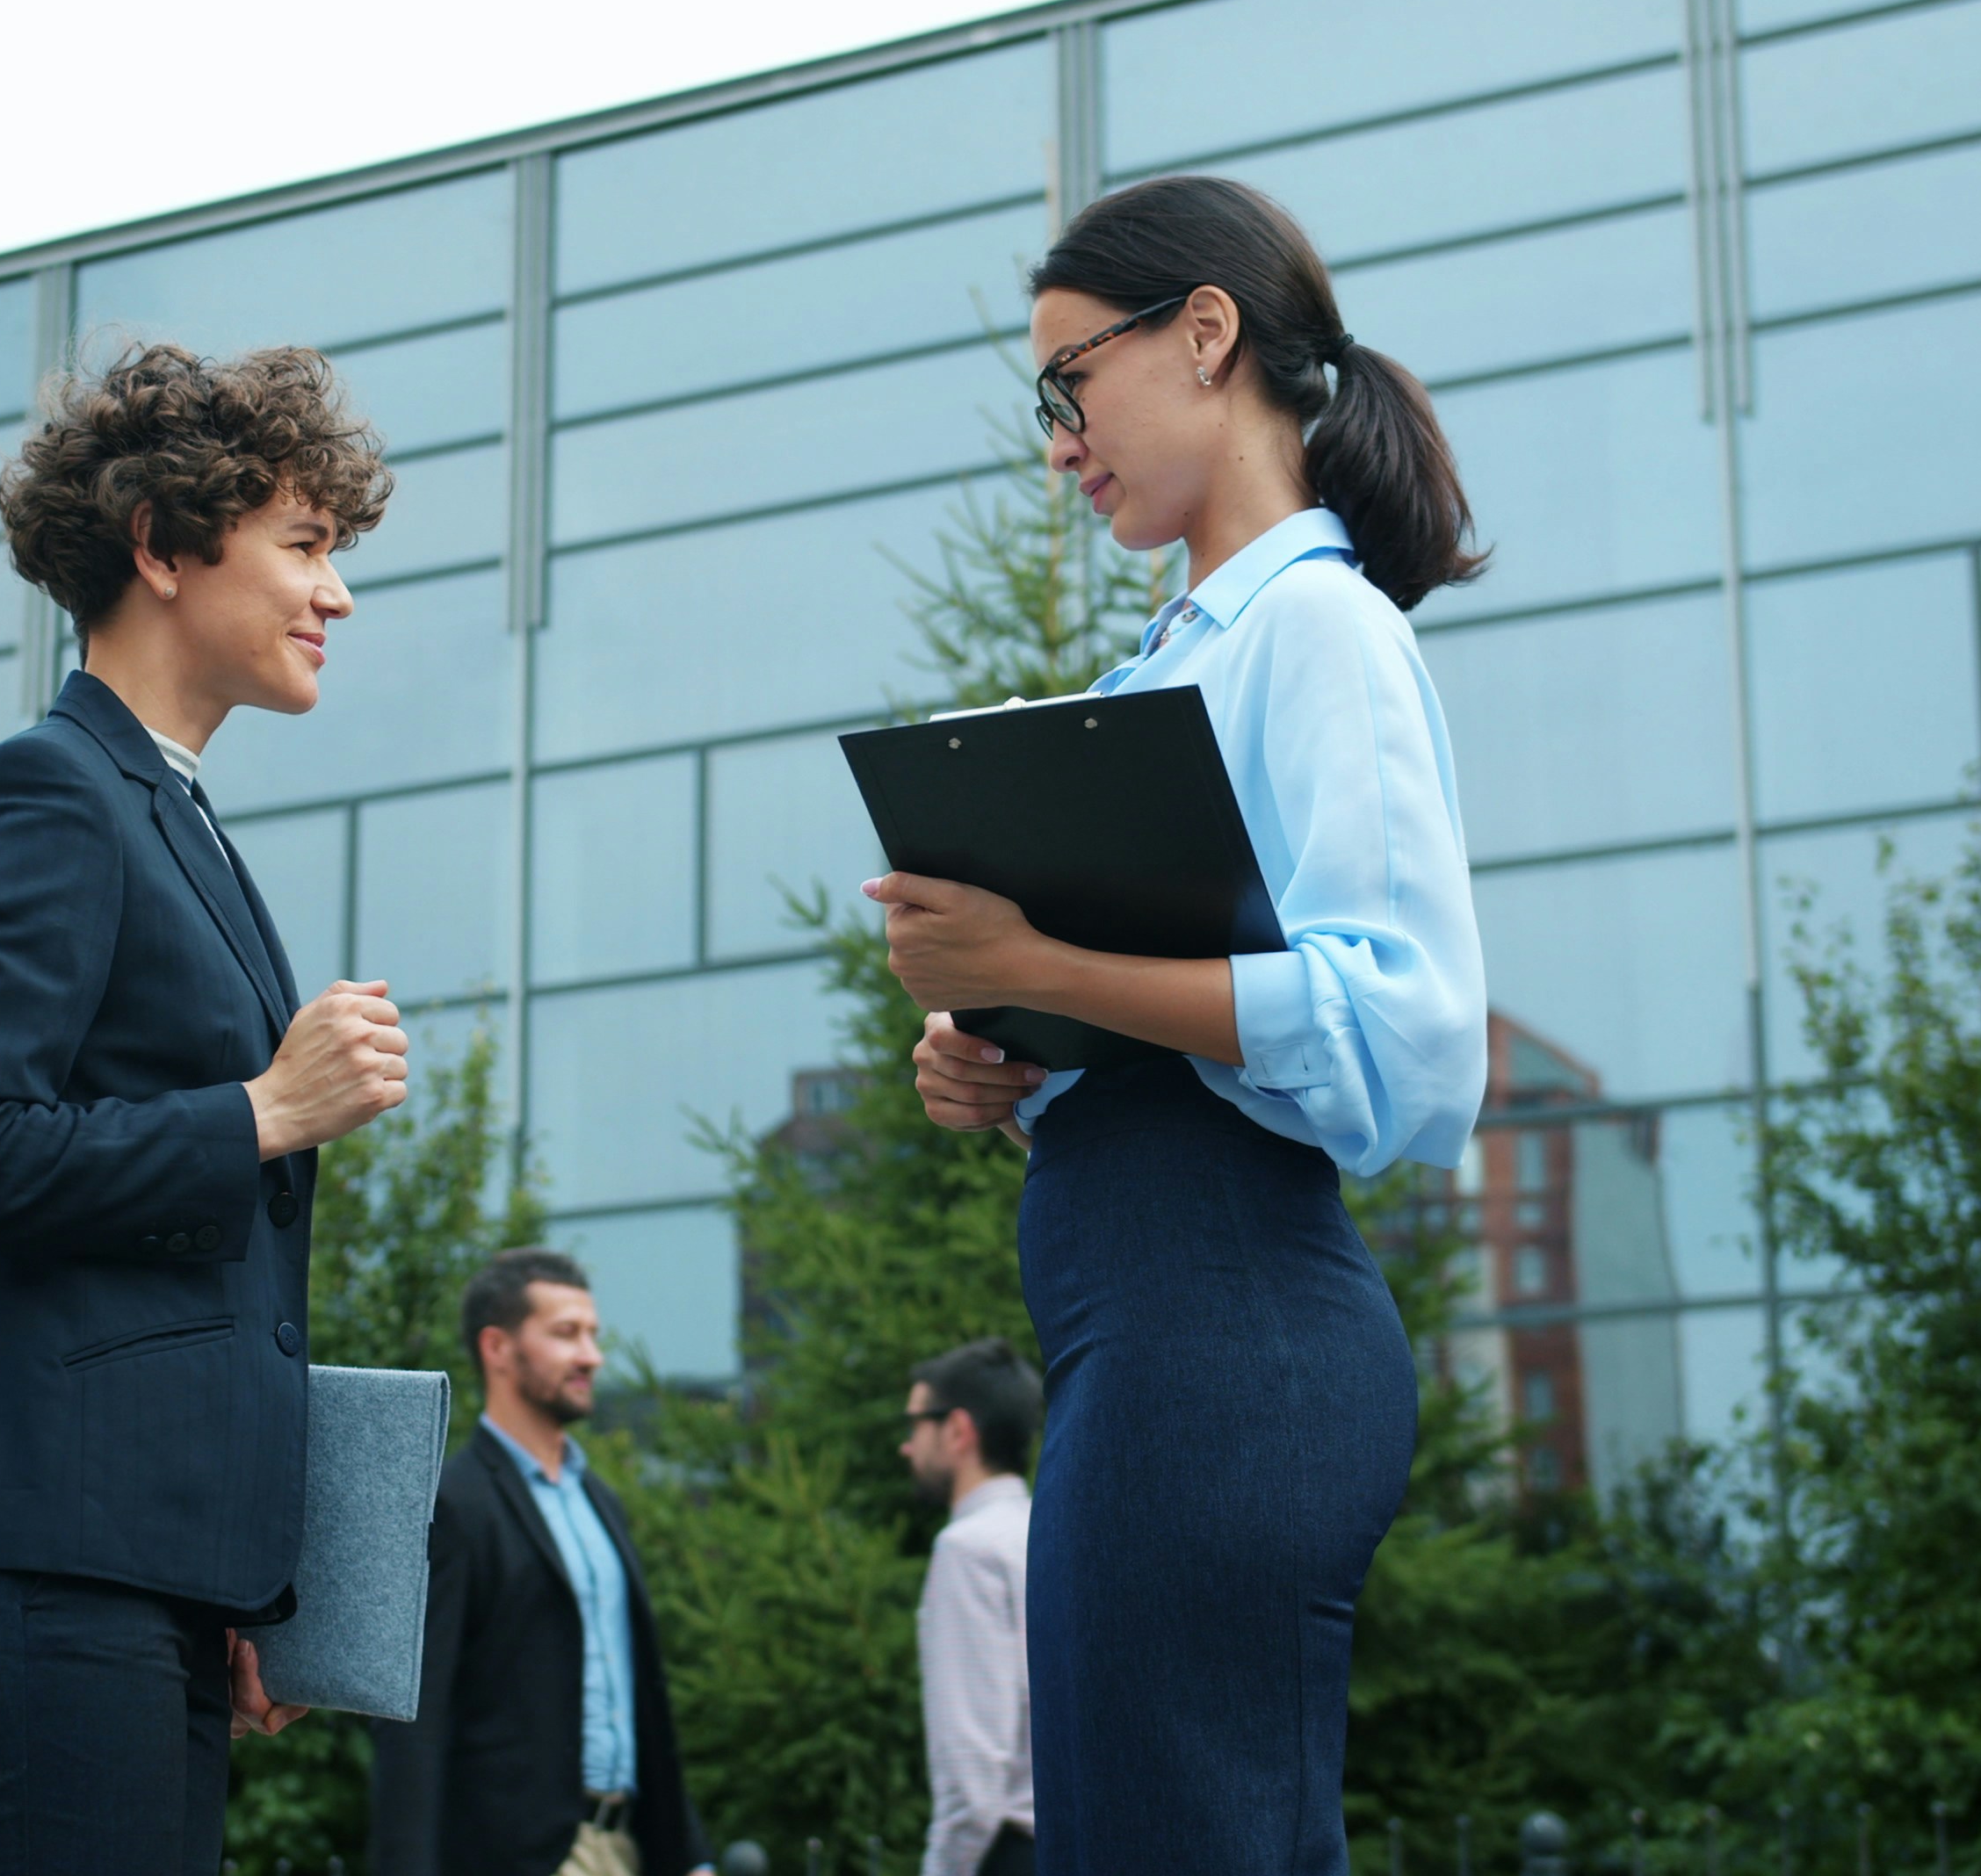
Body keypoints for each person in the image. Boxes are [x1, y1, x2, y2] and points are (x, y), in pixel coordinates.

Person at [864, 175, 1489, 1875]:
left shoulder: (1319, 629)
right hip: (1161, 1334)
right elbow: (1191, 1007)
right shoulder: (1183, 659)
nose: (1060, 441)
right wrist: (999, 1047)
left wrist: (1048, 971)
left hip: (1228, 1327)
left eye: (1070, 384)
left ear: (1206, 333)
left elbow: (1412, 1033)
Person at [0, 341, 410, 1872]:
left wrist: (226, 1573)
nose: (336, 594)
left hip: (134, 1580)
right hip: (45, 1572)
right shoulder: (45, 792)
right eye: (303, 547)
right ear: (164, 545)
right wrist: (261, 1112)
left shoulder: (171, 812)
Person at [373, 1250, 714, 1876]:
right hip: (523, 1856)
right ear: (498, 1349)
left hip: (628, 1845)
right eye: (566, 1334)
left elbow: (638, 1697)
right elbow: (413, 1720)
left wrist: (688, 1853)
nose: (592, 1356)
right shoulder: (451, 1502)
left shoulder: (600, 1501)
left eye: (592, 1335)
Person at [900, 1339, 1042, 1876]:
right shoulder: (1051, 1535)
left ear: (958, 1431)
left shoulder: (968, 1551)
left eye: (915, 1424)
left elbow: (973, 1777)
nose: (906, 1448)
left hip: (1008, 1855)